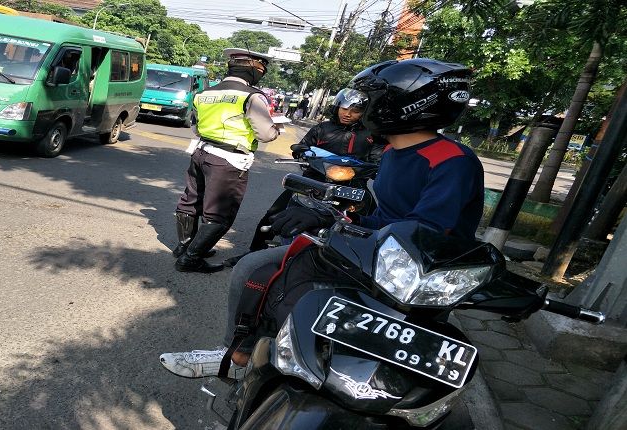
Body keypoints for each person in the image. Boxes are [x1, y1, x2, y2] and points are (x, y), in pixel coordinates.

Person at [159, 58, 485, 379]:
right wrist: (332, 218)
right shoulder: (393, 151)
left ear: (406, 105)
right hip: (373, 248)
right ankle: (235, 354)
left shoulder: (452, 160)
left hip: (413, 274)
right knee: (253, 268)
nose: (359, 108)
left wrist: (334, 225)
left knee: (303, 292)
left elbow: (425, 232)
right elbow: (383, 212)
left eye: (369, 99)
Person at [223, 88, 387, 267]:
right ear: (337, 107)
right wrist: (301, 152)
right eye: (344, 108)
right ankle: (253, 253)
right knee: (273, 214)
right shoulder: (322, 128)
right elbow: (302, 147)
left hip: (351, 187)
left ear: (364, 113)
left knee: (373, 221)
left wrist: (372, 168)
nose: (347, 114)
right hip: (312, 182)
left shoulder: (372, 135)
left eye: (355, 111)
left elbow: (379, 160)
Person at [172, 48, 280, 274]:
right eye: (261, 69)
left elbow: (195, 126)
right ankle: (190, 259)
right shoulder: (252, 96)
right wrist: (276, 128)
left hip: (200, 152)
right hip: (229, 160)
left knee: (191, 201)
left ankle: (185, 247)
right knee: (220, 214)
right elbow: (266, 135)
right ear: (254, 69)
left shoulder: (205, 93)